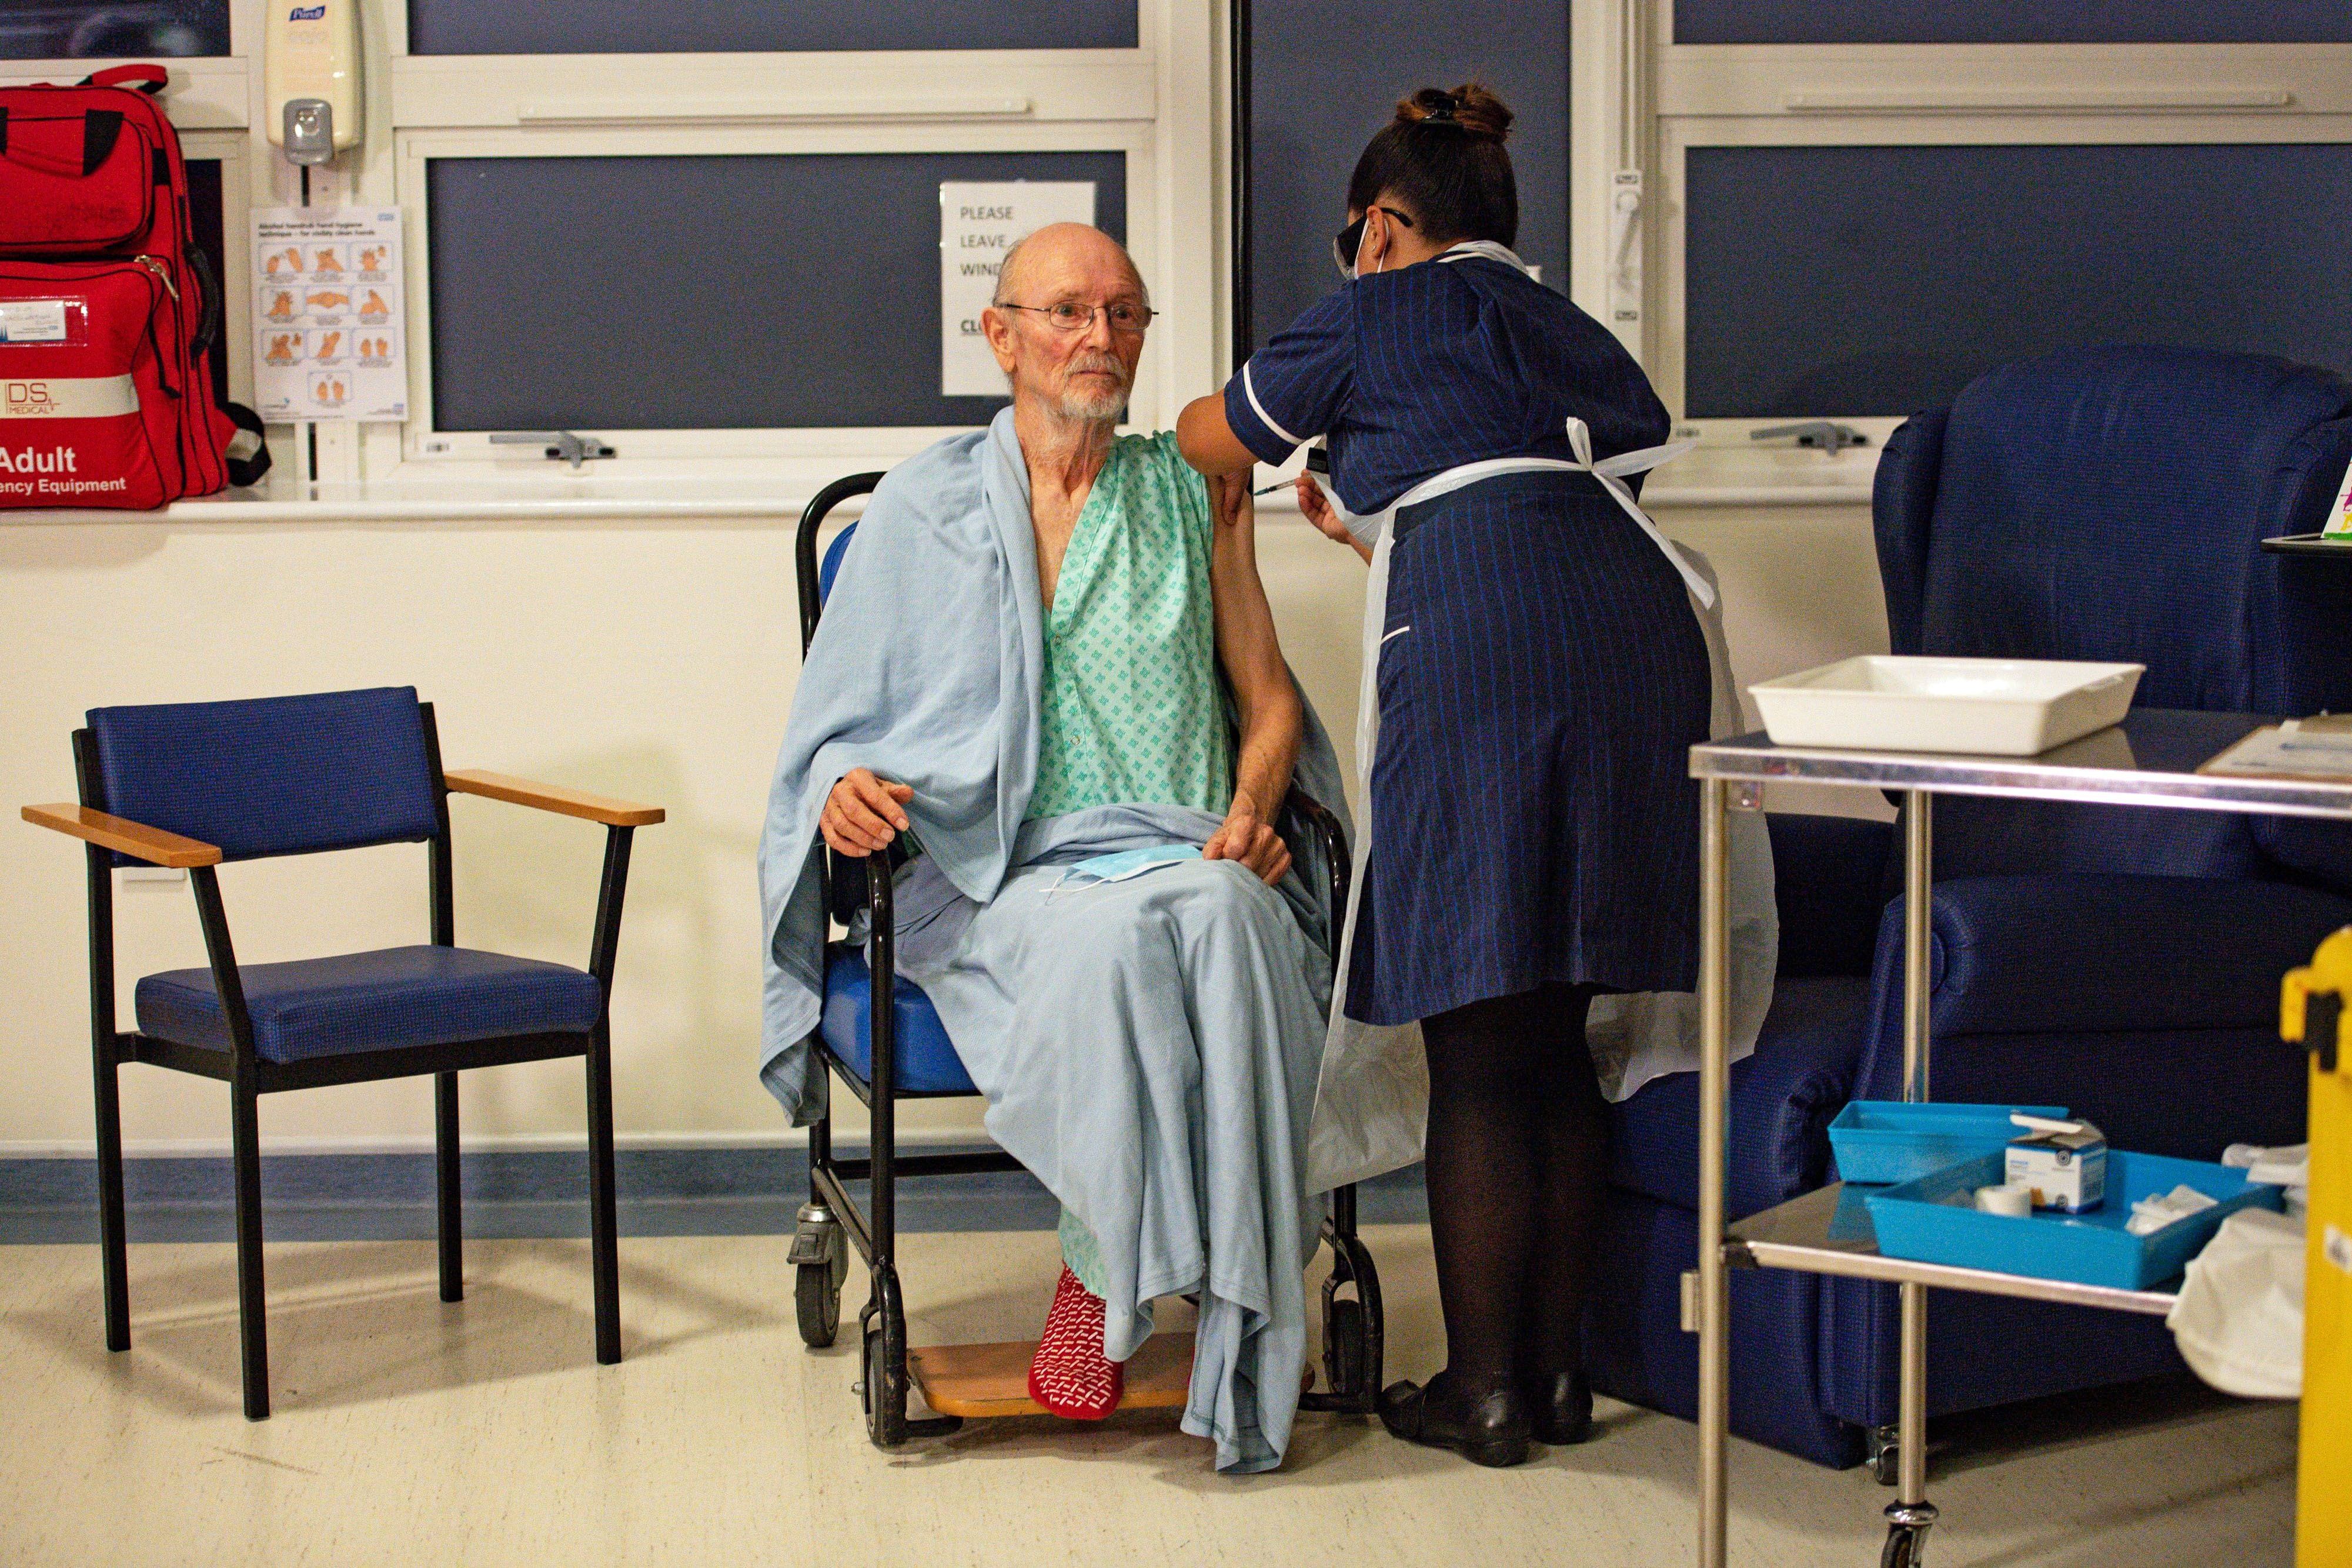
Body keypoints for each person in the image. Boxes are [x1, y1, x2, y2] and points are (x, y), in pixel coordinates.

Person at [1177, 85, 1774, 1468]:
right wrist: (1380, 510)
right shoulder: (1564, 324)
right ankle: (1553, 1379)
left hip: (1488, 639)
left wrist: (1252, 448)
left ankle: (1484, 1391)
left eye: (1349, 242)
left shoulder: (1379, 305)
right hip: (1635, 631)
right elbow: (1578, 457)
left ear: (1383, 225)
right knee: (1554, 1023)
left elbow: (1219, 434)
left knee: (1473, 1034)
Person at [757, 223, 1352, 1474]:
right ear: (1001, 335)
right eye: (1070, 311)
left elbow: (1271, 701)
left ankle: (1217, 1290)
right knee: (1129, 936)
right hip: (996, 870)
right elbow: (832, 727)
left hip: (1187, 848)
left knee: (1232, 917)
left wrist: (1252, 805)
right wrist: (842, 788)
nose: (1101, 338)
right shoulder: (919, 508)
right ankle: (1110, 1279)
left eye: (1124, 314)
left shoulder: (1192, 487)